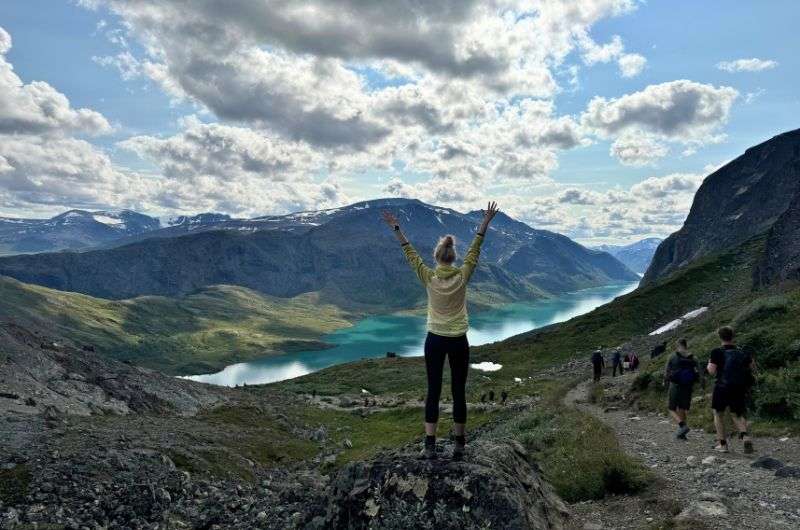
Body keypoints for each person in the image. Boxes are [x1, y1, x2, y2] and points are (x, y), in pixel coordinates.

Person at [383, 201, 499, 460]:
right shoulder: (462, 275)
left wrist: (396, 228)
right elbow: (474, 250)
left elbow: (409, 252)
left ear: (436, 257)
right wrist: (484, 224)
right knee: (458, 390)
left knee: (433, 390)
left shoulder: (427, 276)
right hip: (459, 340)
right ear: (453, 257)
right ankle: (459, 444)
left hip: (434, 340)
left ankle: (430, 445)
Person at [707, 326, 755, 454]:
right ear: (733, 336)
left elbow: (711, 371)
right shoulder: (742, 351)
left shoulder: (716, 351)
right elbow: (752, 367)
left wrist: (709, 364)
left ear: (720, 337)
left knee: (718, 414)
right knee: (737, 413)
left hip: (722, 386)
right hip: (739, 387)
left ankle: (723, 445)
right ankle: (745, 436)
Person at [664, 338, 699, 440]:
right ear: (686, 345)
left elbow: (666, 371)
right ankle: (682, 434)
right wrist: (701, 384)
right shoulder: (692, 357)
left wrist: (665, 381)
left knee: (671, 408)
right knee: (682, 408)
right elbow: (699, 372)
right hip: (688, 386)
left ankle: (682, 425)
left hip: (675, 385)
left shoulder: (672, 356)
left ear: (678, 345)